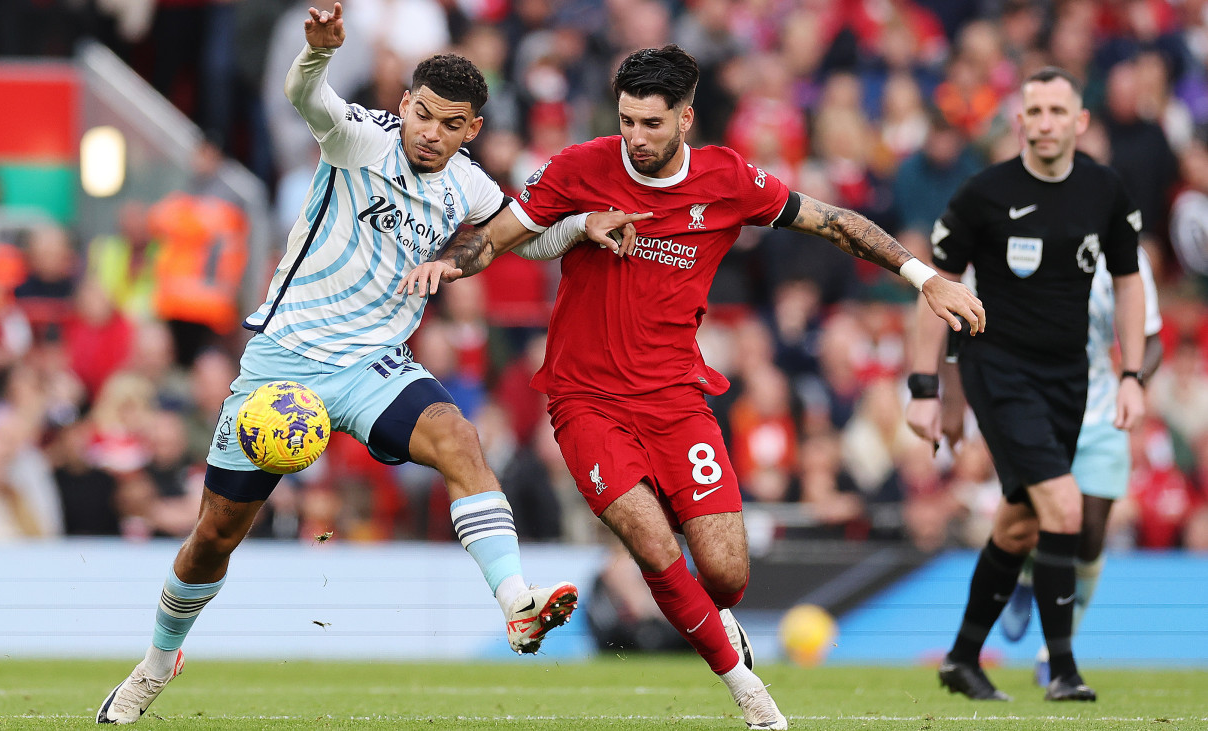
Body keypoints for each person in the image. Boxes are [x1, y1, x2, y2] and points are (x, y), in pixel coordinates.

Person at [400, 44, 985, 731]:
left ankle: (718, 616)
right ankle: (749, 691)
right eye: (626, 121)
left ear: (686, 119)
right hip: (586, 400)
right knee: (652, 542)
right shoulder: (579, 169)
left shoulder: (727, 179)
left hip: (677, 398)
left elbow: (835, 223)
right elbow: (495, 238)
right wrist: (447, 266)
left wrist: (927, 278)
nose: (636, 139)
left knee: (727, 573)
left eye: (651, 124)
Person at [97, 4, 594, 724]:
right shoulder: (360, 139)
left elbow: (523, 239)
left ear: (471, 130)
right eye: (423, 114)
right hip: (282, 365)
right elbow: (307, 99)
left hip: (371, 368)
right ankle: (156, 661)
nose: (432, 132)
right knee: (213, 537)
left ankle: (517, 604)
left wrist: (580, 228)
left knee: (458, 435)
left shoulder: (471, 187)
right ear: (405, 103)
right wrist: (317, 54)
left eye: (450, 124)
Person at [905, 67, 1147, 703]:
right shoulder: (984, 193)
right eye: (1033, 112)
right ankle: (1063, 669)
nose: (1044, 124)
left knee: (1018, 526)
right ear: (1019, 121)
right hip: (999, 368)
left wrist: (1130, 372)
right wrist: (925, 387)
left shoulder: (1106, 190)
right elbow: (935, 287)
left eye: (1056, 112)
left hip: (1070, 376)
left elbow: (1130, 281)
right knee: (1064, 506)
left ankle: (961, 659)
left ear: (1079, 122)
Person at [992, 245, 1163, 686]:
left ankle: (1056, 649)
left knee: (1089, 535)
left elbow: (1151, 338)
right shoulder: (1025, 242)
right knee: (1039, 523)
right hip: (1037, 411)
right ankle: (1026, 574)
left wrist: (1135, 381)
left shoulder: (1127, 255)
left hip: (1102, 412)